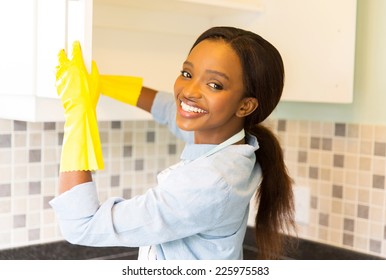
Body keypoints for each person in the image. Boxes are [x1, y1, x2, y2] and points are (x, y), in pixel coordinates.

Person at [50, 26, 296, 260]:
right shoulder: (232, 145)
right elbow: (170, 109)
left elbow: (82, 224)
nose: (188, 91)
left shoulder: (208, 181)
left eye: (214, 84)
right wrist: (105, 84)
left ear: (245, 105)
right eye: (187, 74)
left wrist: (77, 112)